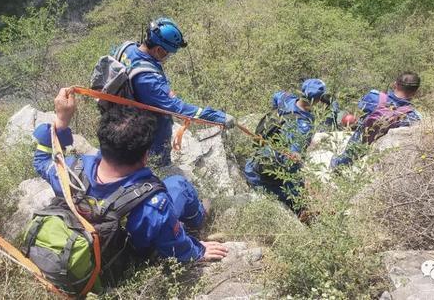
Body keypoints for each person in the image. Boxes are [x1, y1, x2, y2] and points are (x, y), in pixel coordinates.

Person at [32, 88, 228, 269]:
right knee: (178, 184)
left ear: (103, 142)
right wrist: (197, 250)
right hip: (126, 255)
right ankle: (198, 219)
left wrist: (61, 119)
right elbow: (173, 246)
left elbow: (42, 160)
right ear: (145, 157)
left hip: (83, 243)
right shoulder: (153, 204)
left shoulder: (69, 170)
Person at [115, 17, 235, 167]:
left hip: (124, 117)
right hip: (148, 131)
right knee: (158, 166)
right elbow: (178, 108)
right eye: (168, 53)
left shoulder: (126, 47)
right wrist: (218, 117)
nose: (168, 57)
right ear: (159, 50)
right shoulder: (148, 79)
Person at [243, 79, 330, 213]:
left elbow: (276, 95)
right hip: (262, 179)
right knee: (294, 192)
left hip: (254, 162)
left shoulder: (286, 99)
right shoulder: (303, 127)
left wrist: (276, 113)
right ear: (318, 100)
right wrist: (298, 198)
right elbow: (292, 162)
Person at [330, 71, 422, 168]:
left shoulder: (374, 97)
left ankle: (339, 164)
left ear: (395, 84)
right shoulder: (413, 116)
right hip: (383, 149)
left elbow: (360, 107)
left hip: (361, 139)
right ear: (416, 92)